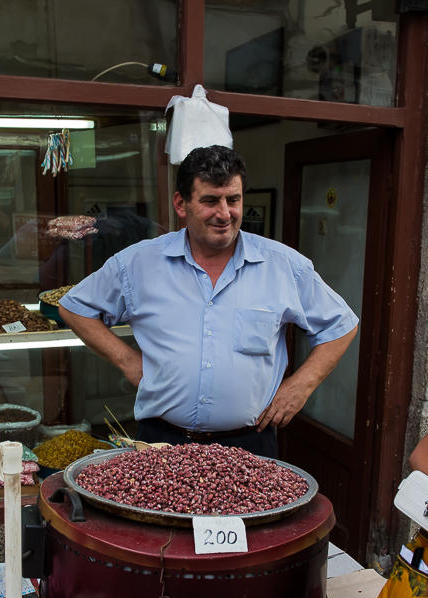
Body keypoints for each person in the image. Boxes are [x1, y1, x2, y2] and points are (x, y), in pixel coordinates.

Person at [58, 145, 359, 457]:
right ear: (181, 203)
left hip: (250, 446)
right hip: (162, 443)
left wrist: (301, 387)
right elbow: (75, 307)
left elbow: (340, 325)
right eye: (210, 201)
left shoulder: (283, 266)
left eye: (234, 199)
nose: (225, 213)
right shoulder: (139, 263)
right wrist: (128, 361)